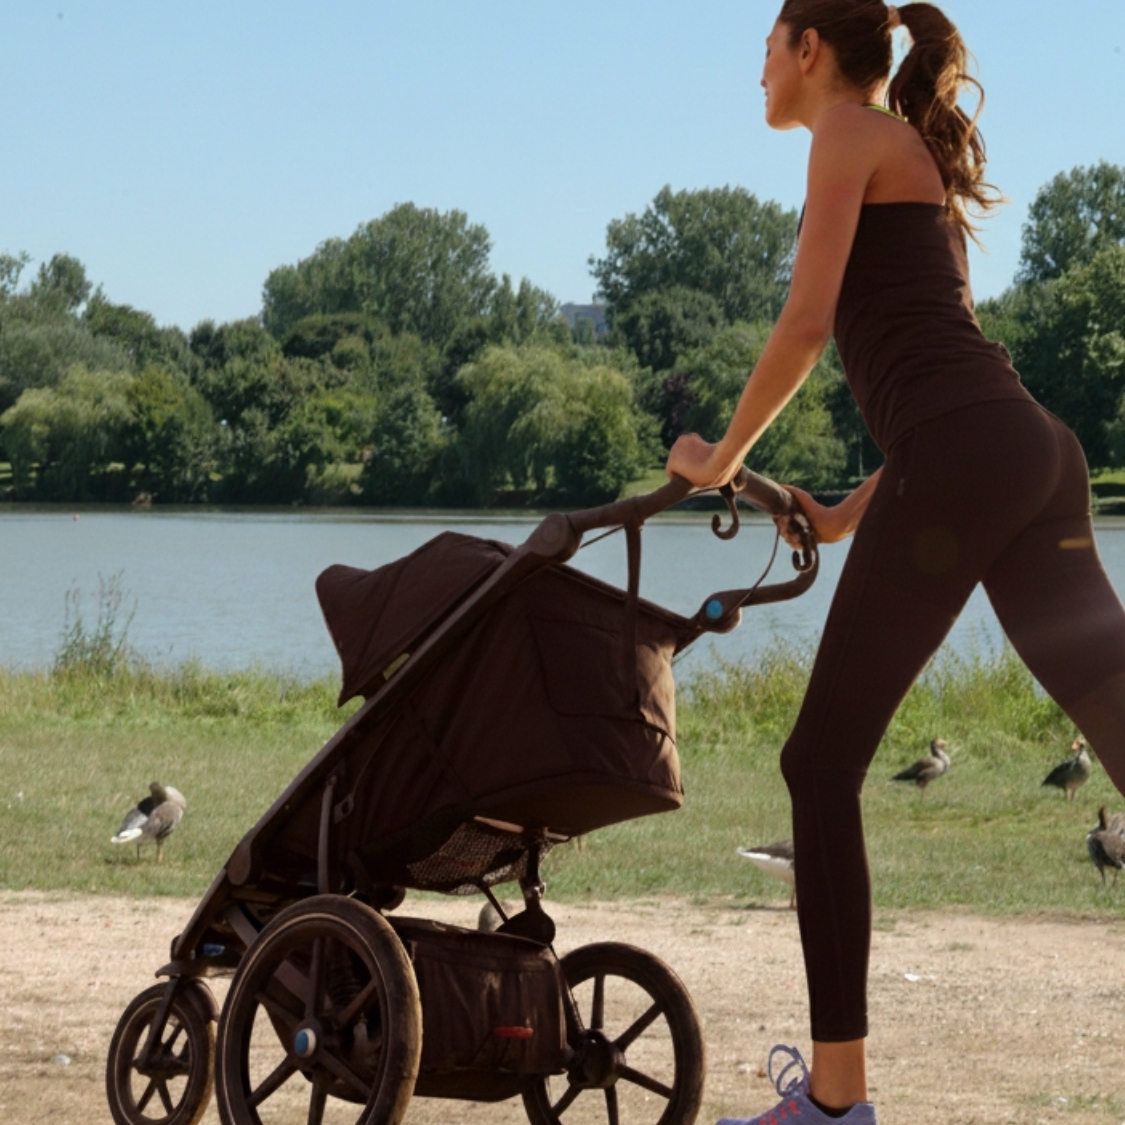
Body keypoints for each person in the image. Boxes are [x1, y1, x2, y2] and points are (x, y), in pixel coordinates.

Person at [665, 3, 1125, 1124]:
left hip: (972, 457)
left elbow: (808, 322)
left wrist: (723, 458)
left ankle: (835, 1103)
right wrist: (846, 514)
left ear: (810, 50)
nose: (759, 72)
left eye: (767, 47)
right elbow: (951, 385)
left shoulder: (848, 135)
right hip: (1030, 455)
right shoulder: (906, 155)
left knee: (818, 767)